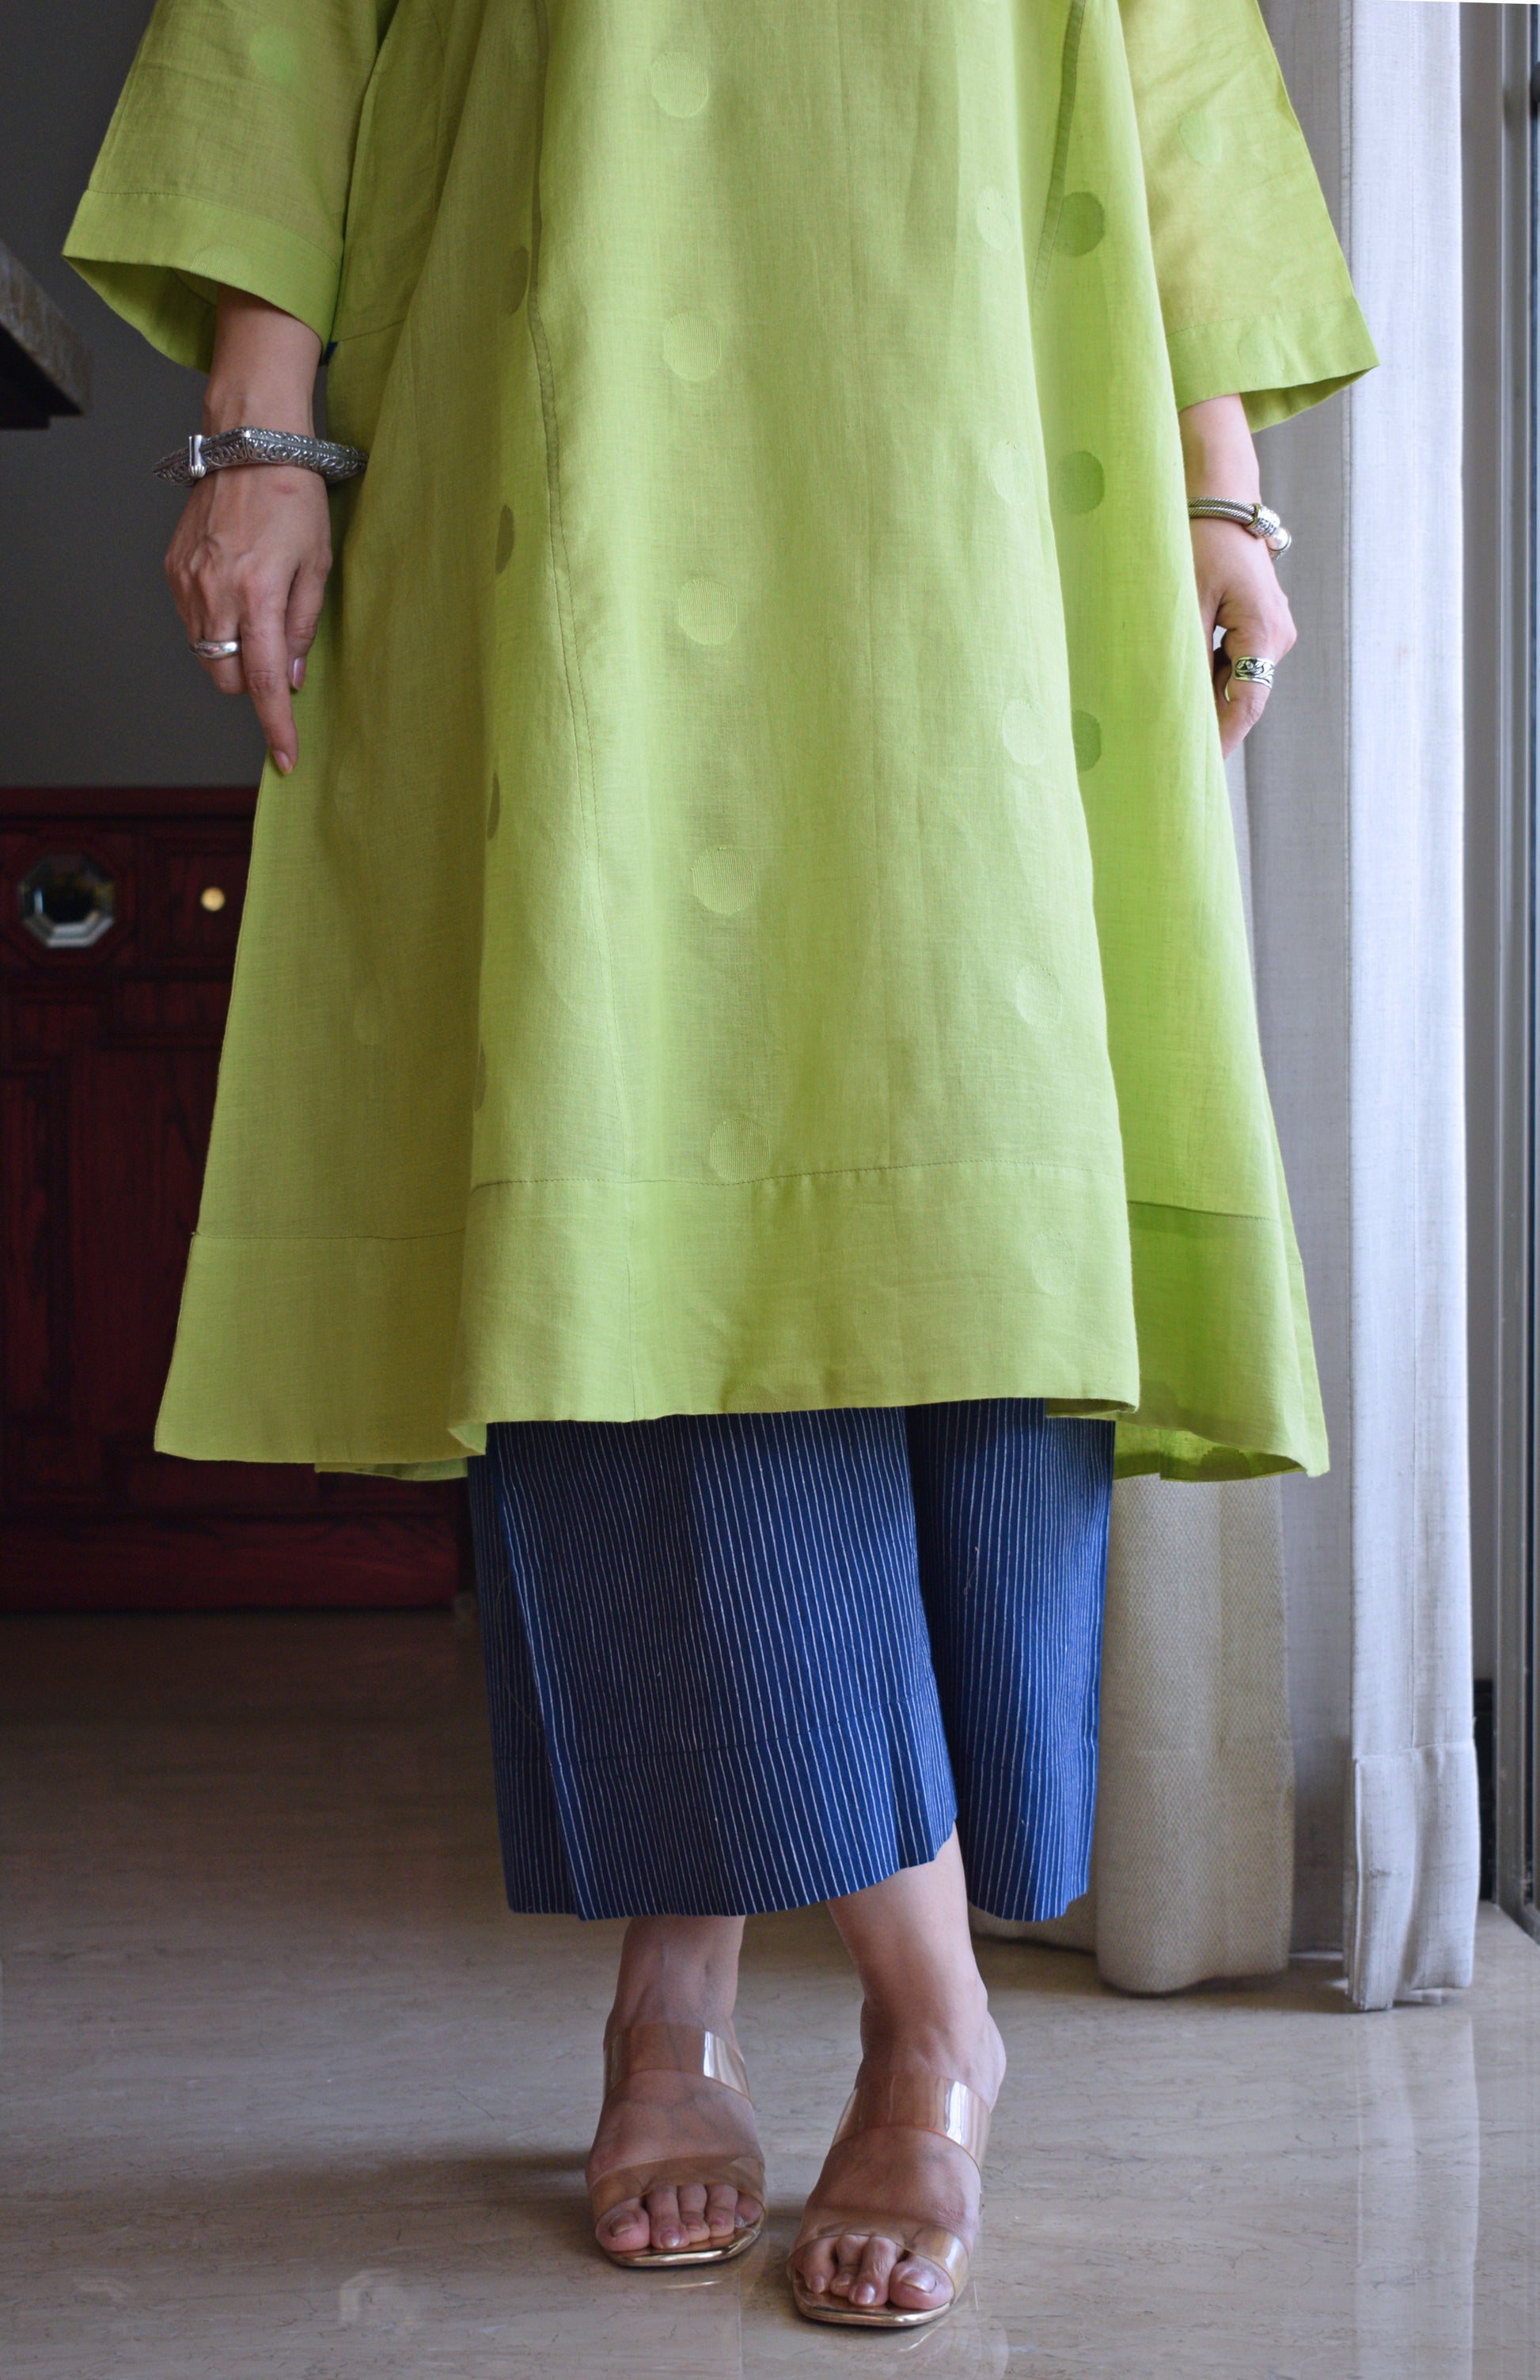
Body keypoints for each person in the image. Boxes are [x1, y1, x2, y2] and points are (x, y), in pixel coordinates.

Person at [66, 0, 1374, 2331]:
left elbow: (1165, 39)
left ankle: (690, 1984)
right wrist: (258, 430)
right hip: (572, 398)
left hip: (979, 409)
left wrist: (1214, 474)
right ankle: (922, 2011)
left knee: (947, 1190)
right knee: (631, 1163)